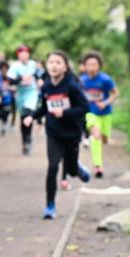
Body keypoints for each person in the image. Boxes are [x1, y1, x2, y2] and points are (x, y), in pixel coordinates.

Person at [23, 50, 90, 219]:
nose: (54, 65)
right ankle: (50, 205)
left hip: (72, 133)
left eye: (58, 62)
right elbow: (45, 108)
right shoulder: (46, 86)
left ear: (65, 67)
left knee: (71, 170)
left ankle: (78, 168)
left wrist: (65, 112)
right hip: (53, 132)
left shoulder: (72, 86)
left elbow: (84, 108)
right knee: (52, 167)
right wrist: (33, 117)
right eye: (51, 62)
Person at [80, 50, 119, 178]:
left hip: (105, 112)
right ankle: (98, 166)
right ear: (84, 66)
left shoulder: (106, 79)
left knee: (104, 137)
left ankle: (105, 137)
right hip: (90, 113)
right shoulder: (82, 81)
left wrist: (105, 103)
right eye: (89, 64)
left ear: (99, 66)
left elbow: (116, 93)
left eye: (94, 64)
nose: (91, 67)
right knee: (96, 136)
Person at [7, 44, 42, 155]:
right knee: (23, 118)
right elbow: (10, 81)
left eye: (26, 53)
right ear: (18, 55)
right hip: (21, 94)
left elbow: (39, 75)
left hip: (32, 92)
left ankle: (28, 139)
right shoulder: (15, 66)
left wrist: (39, 80)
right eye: (21, 53)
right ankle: (25, 141)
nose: (24, 55)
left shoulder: (33, 64)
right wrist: (21, 78)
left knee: (28, 113)